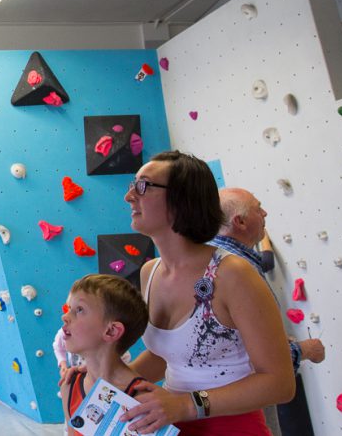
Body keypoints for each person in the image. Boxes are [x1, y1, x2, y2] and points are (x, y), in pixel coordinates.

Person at [121, 151, 295, 434]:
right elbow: (167, 355)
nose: (130, 196)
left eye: (143, 186)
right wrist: (100, 380)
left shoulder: (233, 275)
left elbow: (280, 382)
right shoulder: (149, 272)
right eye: (132, 186)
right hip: (175, 423)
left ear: (182, 199)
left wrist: (188, 405)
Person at [215, 188, 324, 436]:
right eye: (257, 207)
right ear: (239, 222)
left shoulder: (222, 259)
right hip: (244, 409)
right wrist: (305, 350)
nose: (265, 212)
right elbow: (244, 356)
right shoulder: (236, 271)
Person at [60, 274, 150, 435]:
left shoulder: (143, 400)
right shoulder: (69, 385)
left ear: (111, 331)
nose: (65, 316)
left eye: (79, 310)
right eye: (69, 309)